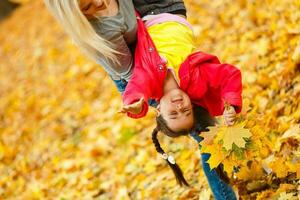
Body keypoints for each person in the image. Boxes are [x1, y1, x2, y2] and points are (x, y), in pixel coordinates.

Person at [44, 0, 238, 199]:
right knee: (208, 136)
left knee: (210, 135)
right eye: (87, 7)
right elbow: (135, 78)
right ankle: (228, 192)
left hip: (158, 51)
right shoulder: (107, 35)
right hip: (137, 71)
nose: (100, 2)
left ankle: (240, 166)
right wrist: (141, 99)